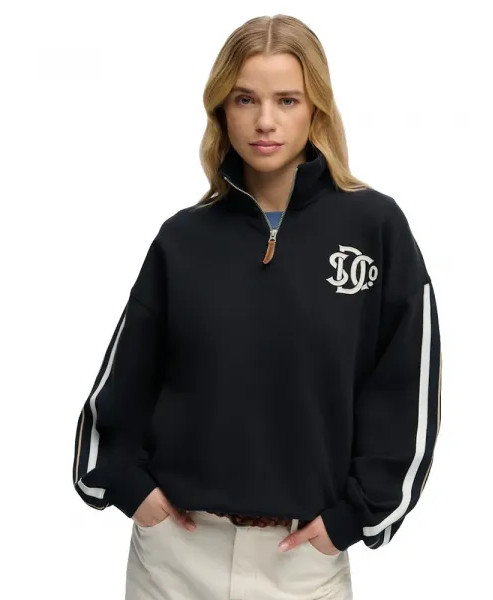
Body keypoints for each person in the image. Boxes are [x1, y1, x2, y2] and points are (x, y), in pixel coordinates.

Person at [72, 13, 442, 600]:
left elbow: (405, 388)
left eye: (286, 100)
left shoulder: (375, 229)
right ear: (222, 108)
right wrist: (128, 488)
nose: (265, 121)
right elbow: (123, 384)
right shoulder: (182, 239)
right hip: (173, 558)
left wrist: (354, 518)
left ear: (316, 108)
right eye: (245, 99)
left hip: (302, 564)